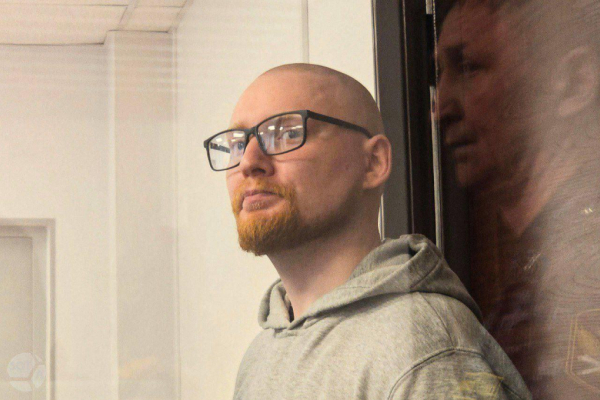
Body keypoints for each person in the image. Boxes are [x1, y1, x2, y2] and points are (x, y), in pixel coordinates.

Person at [203, 63, 531, 399]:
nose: (248, 162)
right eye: (237, 145)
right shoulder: (260, 356)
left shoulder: (426, 353)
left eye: (286, 133)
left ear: (373, 163)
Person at [437, 0, 600, 397]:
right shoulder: (545, 257)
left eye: (468, 67)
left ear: (575, 82)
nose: (440, 109)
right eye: (438, 75)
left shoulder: (583, 261)